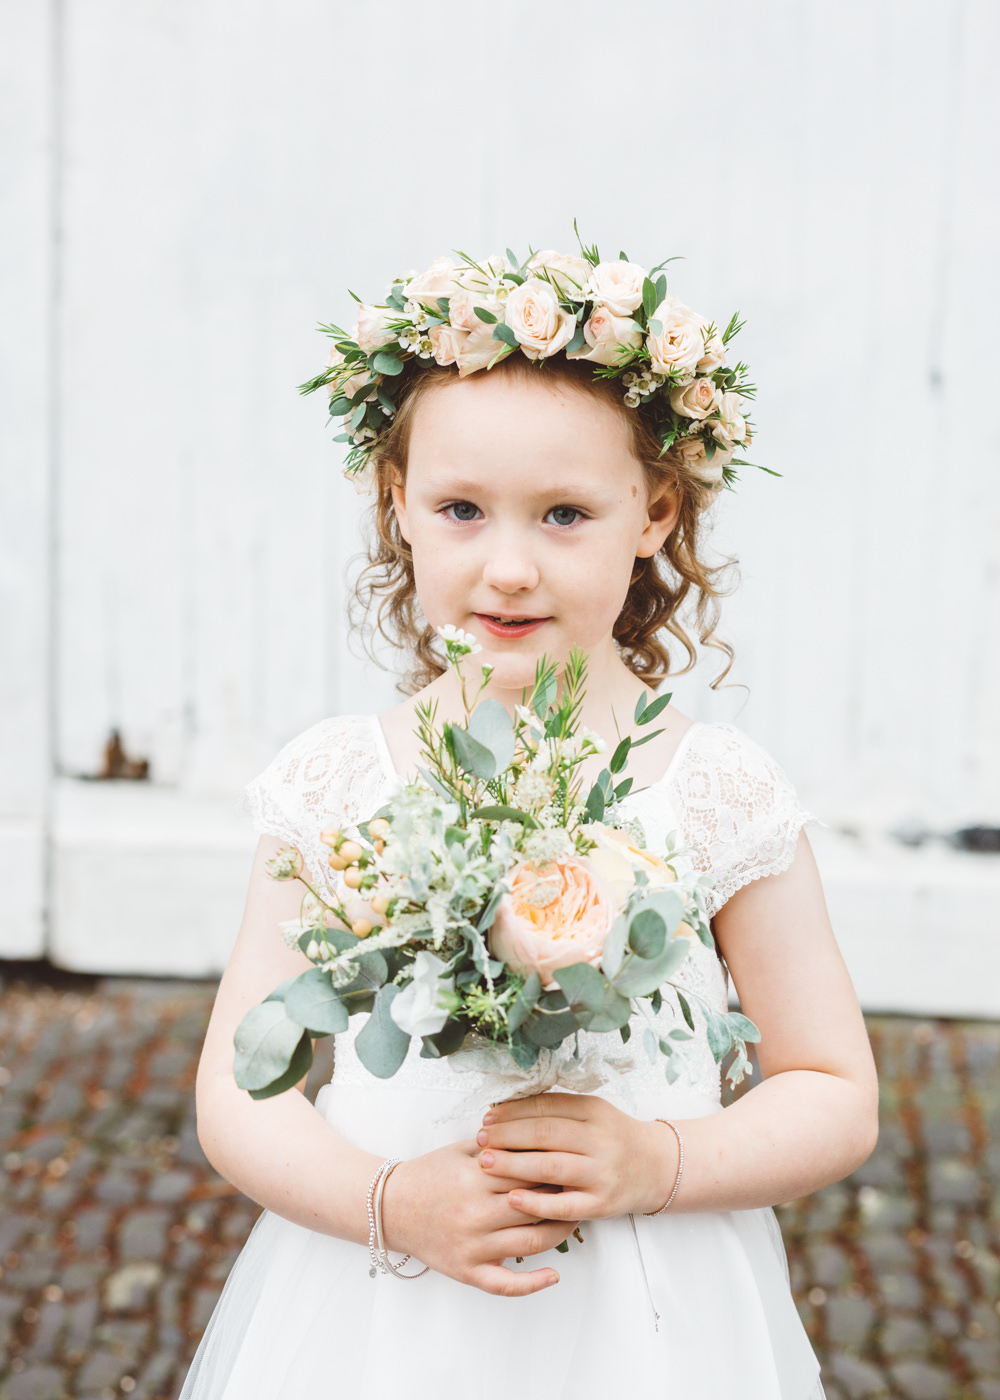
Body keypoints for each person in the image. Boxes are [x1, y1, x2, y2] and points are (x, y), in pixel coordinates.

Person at [180, 247, 878, 1399]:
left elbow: (832, 1085)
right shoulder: (336, 783)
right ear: (396, 506)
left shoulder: (716, 791)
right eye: (460, 509)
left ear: (653, 512)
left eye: (564, 513)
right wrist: (389, 1199)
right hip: (383, 1315)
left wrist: (660, 1158)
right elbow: (234, 1093)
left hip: (648, 1321)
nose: (507, 567)